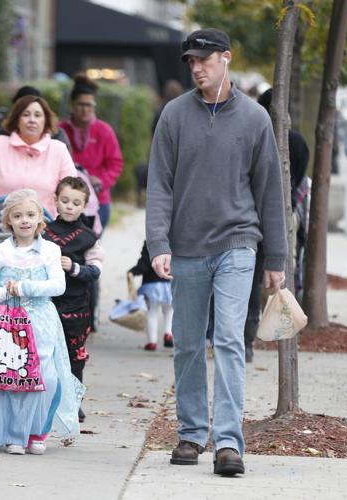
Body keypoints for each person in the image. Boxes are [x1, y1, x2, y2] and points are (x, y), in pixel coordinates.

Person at [146, 28, 287, 476]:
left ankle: (228, 442)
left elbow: (270, 192)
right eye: (190, 61)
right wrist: (158, 244)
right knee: (187, 343)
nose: (196, 67)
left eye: (204, 59)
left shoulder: (254, 119)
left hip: (238, 243)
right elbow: (159, 186)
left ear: (226, 58)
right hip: (186, 246)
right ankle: (191, 434)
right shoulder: (173, 115)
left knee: (228, 339)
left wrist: (277, 259)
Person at [0, 189, 82, 455]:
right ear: (8, 220)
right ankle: (14, 434)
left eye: (31, 215)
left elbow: (58, 285)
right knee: (14, 376)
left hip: (41, 320)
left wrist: (24, 287)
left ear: (40, 220)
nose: (25, 220)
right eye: (18, 215)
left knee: (47, 377)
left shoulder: (50, 250)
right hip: (10, 323)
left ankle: (39, 431)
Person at [240, 88, 311, 362]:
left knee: (249, 282)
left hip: (250, 219)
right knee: (274, 274)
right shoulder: (295, 142)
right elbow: (300, 178)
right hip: (282, 215)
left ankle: (244, 338)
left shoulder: (252, 137)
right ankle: (257, 334)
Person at [43, 176, 103, 422]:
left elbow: (95, 271)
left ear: (84, 205)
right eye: (65, 201)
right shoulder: (42, 232)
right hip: (45, 304)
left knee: (74, 354)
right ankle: (45, 398)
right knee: (45, 353)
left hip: (75, 307)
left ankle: (73, 400)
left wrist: (74, 267)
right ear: (55, 202)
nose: (70, 206)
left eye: (76, 202)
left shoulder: (89, 237)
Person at [0, 95, 77, 220]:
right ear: (17, 119)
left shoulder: (59, 149)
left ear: (45, 120)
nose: (32, 120)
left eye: (38, 115)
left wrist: (61, 222)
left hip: (46, 228)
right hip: (0, 228)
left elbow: (72, 189)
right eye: (26, 114)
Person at [59, 74, 123, 229]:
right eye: (81, 104)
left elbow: (115, 164)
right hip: (67, 201)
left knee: (92, 250)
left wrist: (101, 180)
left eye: (90, 105)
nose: (85, 109)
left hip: (98, 201)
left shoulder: (104, 131)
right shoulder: (61, 131)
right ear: (72, 105)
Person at [0, 85, 73, 152]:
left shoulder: (57, 137)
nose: (31, 120)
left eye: (36, 114)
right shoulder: (1, 138)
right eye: (25, 114)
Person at [129, 241, 173, 351]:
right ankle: (168, 333)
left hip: (151, 285)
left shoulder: (151, 242)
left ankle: (151, 342)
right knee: (169, 311)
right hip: (170, 284)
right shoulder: (175, 239)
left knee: (152, 313)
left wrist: (133, 272)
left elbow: (144, 263)